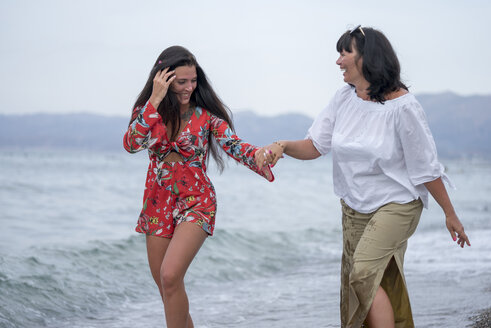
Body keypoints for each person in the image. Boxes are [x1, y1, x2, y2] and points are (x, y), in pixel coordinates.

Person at [257, 26, 471, 328]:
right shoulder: (344, 98)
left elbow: (425, 168)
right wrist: (283, 146)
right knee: (365, 284)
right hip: (355, 207)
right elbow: (317, 145)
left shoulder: (404, 107)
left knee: (363, 273)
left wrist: (450, 213)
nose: (338, 61)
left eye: (346, 53)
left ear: (367, 58)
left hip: (398, 205)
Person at [123, 45, 274, 328]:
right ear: (163, 79)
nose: (189, 87)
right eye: (182, 81)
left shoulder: (206, 117)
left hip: (197, 202)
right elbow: (131, 144)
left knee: (170, 276)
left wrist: (257, 157)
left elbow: (233, 144)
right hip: (157, 204)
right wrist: (154, 100)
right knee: (168, 289)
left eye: (193, 81)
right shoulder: (146, 111)